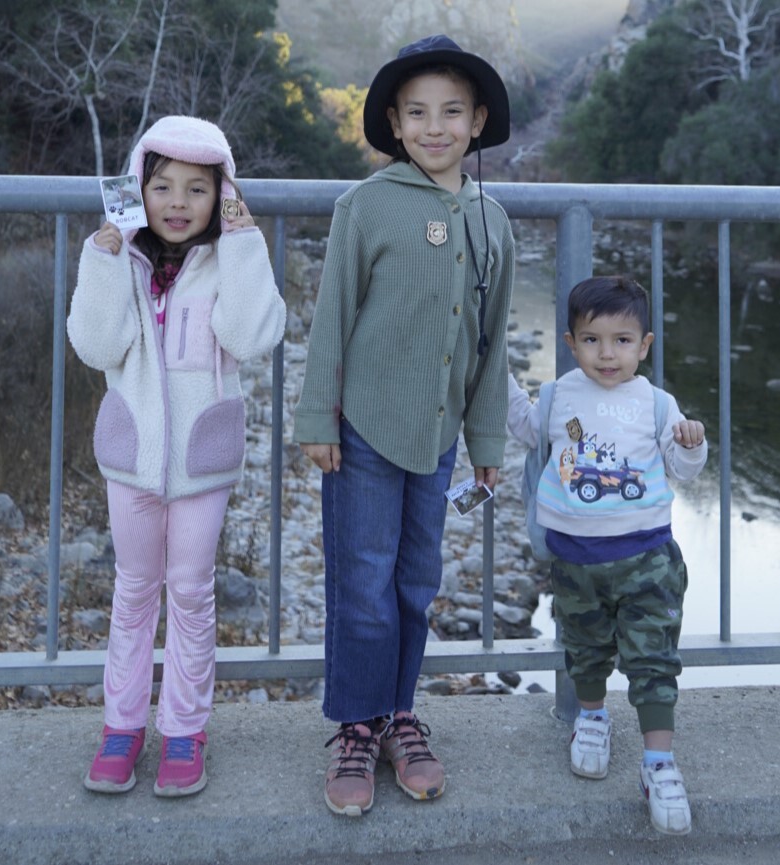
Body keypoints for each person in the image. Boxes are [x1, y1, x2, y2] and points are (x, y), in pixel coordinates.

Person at [293, 34, 515, 816]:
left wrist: (487, 441)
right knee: (364, 587)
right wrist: (318, 413)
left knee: (416, 585)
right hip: (362, 430)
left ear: (479, 121)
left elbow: (490, 348)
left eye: (452, 111)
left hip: (438, 436)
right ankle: (355, 724)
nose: (434, 126)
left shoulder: (494, 222)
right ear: (393, 119)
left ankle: (400, 715)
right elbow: (329, 320)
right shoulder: (365, 206)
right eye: (417, 111)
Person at [67, 115, 286, 798]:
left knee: (189, 590)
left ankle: (185, 728)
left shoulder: (229, 258)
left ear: (223, 195)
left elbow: (254, 336)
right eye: (162, 186)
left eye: (198, 188)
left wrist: (246, 243)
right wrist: (105, 258)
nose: (178, 202)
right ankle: (121, 725)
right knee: (134, 590)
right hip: (131, 453)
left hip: (202, 457)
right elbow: (97, 346)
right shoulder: (117, 256)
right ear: (139, 187)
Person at [506, 275, 707, 835]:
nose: (607, 353)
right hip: (576, 560)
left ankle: (659, 763)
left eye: (622, 340)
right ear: (571, 344)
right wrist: (493, 375)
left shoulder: (655, 403)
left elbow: (683, 471)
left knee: (653, 659)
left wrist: (691, 444)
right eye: (592, 340)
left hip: (648, 558)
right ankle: (591, 719)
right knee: (585, 647)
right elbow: (524, 427)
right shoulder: (559, 396)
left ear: (644, 345)